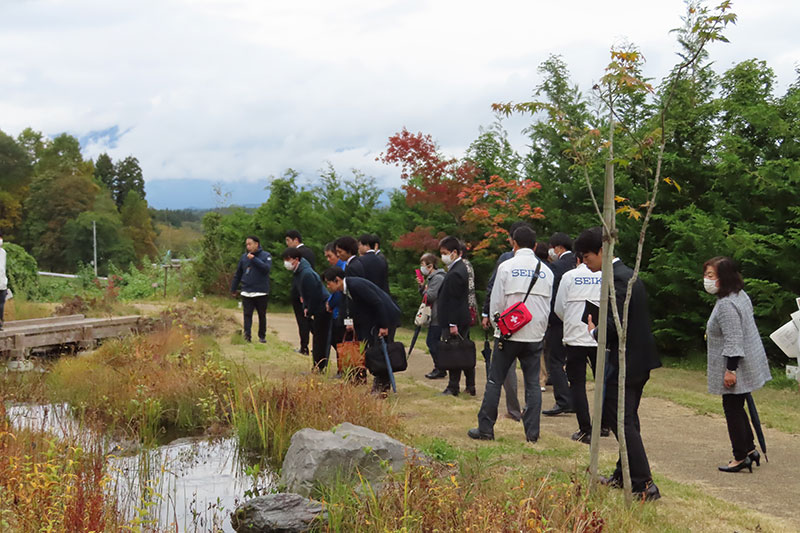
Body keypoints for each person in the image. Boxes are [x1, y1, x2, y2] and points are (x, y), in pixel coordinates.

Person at [576, 226, 661, 501]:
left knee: (621, 421)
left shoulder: (618, 279)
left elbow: (617, 325)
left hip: (628, 362)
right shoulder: (624, 275)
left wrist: (594, 331)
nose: (585, 264)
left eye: (587, 257)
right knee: (626, 419)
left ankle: (643, 483)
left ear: (602, 251)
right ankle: (624, 473)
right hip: (634, 359)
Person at [468, 226, 553, 442]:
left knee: (495, 380)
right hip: (535, 335)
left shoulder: (506, 267)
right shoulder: (547, 271)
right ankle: (532, 434)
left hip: (508, 333)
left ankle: (486, 429)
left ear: (513, 243)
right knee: (533, 384)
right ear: (535, 246)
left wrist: (499, 325)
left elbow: (497, 301)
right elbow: (549, 305)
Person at [703, 256, 771, 473]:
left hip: (736, 365)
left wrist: (730, 370)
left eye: (710, 275)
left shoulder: (727, 305)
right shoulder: (739, 296)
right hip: (748, 361)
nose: (706, 280)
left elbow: (733, 340)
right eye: (705, 275)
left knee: (731, 408)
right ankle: (750, 450)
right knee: (737, 406)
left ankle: (740, 456)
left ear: (724, 277)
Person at [481, 222, 533, 421]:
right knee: (531, 374)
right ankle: (529, 412)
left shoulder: (505, 260)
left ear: (513, 241)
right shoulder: (539, 264)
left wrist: (489, 314)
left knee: (503, 371)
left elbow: (493, 288)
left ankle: (513, 410)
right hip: (532, 322)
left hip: (508, 323)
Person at [323, 267, 401, 393]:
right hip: (374, 320)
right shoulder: (346, 290)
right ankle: (379, 383)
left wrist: (383, 325)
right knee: (373, 351)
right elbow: (354, 307)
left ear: (337, 280)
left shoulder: (355, 285)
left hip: (387, 316)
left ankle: (382, 386)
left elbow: (377, 302)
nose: (328, 286)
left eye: (328, 283)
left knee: (379, 352)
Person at [554, 254, 605, 443]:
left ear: (578, 259)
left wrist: (571, 320)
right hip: (599, 336)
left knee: (577, 384)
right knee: (603, 381)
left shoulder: (569, 277)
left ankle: (586, 428)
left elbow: (559, 308)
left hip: (575, 337)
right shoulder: (604, 275)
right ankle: (605, 424)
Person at [542, 232, 577, 416]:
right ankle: (576, 398)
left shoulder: (556, 267)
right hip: (581, 320)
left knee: (555, 361)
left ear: (559, 248)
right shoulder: (580, 263)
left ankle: (563, 400)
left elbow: (552, 295)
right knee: (574, 362)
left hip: (559, 320)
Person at [438, 236, 476, 396]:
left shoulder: (456, 272)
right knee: (463, 350)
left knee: (454, 352)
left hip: (456, 319)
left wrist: (452, 323)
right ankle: (470, 385)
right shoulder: (461, 268)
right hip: (462, 317)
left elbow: (454, 299)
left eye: (444, 253)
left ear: (454, 252)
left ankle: (453, 386)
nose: (443, 256)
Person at [283, 248, 332, 371]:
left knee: (320, 339)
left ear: (296, 260)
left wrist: (310, 310)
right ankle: (318, 366)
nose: (286, 263)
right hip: (315, 308)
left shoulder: (306, 273)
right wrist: (306, 307)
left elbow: (314, 295)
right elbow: (304, 295)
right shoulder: (299, 272)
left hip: (321, 309)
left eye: (288, 260)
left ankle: (319, 366)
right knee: (319, 339)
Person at [230, 235, 272, 343]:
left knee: (261, 315)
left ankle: (262, 336)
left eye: (250, 244)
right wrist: (233, 288)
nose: (248, 246)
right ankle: (247, 336)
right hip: (246, 291)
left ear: (256, 244)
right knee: (247, 315)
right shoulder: (244, 257)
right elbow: (238, 274)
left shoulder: (266, 255)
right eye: (247, 244)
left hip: (261, 291)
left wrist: (254, 260)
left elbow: (266, 269)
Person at [285, 230, 315, 355]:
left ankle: (304, 347)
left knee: (303, 321)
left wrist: (301, 294)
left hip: (301, 293)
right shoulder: (309, 251)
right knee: (308, 320)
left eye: (288, 240)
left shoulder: (300, 253)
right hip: (306, 291)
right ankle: (312, 345)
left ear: (296, 240)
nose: (287, 243)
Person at [418, 253, 447, 379]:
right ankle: (439, 367)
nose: (422, 268)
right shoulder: (433, 278)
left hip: (438, 315)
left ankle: (440, 367)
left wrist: (424, 288)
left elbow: (430, 296)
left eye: (423, 265)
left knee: (432, 342)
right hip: (434, 314)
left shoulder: (438, 278)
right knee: (432, 341)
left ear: (430, 266)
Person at [0, 231, 7, 331]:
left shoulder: (3, 252)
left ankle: (0, 322)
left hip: (2, 283)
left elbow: (3, 268)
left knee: (1, 306)